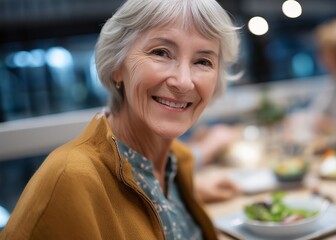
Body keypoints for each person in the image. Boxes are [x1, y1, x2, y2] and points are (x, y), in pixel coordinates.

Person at [0, 0, 240, 239]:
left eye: (202, 61)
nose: (184, 81)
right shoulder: (68, 179)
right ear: (117, 65)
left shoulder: (174, 162)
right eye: (160, 53)